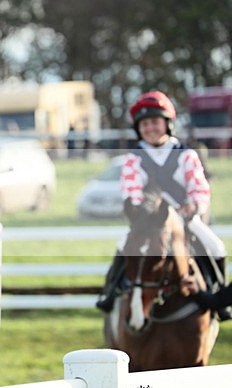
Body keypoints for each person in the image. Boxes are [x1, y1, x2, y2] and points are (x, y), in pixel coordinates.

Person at [96, 91, 229, 319]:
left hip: (184, 218)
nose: (150, 128)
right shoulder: (134, 157)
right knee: (122, 247)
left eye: (155, 122)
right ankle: (110, 294)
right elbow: (131, 190)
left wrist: (193, 206)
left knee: (216, 247)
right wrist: (138, 212)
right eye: (144, 124)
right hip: (148, 222)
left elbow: (199, 188)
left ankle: (218, 301)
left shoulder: (186, 155)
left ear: (167, 124)